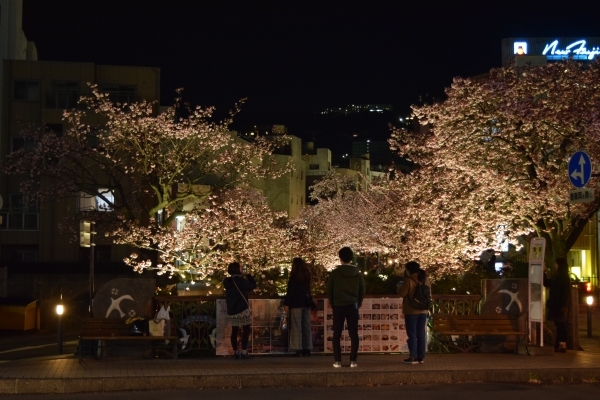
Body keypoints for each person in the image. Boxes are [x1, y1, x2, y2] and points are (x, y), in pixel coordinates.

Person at [327, 246, 365, 368]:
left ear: (340, 258)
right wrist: (358, 303)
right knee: (353, 334)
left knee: (337, 334)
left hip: (338, 305)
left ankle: (337, 360)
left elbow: (330, 290)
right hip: (352, 305)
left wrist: (333, 303)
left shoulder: (335, 273)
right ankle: (353, 360)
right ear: (351, 258)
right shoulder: (357, 274)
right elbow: (362, 290)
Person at [397, 261, 430, 364]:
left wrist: (398, 287)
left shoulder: (409, 280)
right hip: (423, 309)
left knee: (412, 334)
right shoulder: (425, 280)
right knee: (421, 333)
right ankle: (421, 356)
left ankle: (413, 357)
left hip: (411, 310)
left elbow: (402, 293)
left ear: (408, 270)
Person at [224, 262, 256, 359]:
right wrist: (249, 275)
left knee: (234, 330)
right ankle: (244, 351)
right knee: (246, 329)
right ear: (237, 269)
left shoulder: (227, 281)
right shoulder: (241, 281)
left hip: (232, 309)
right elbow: (253, 285)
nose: (242, 268)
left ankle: (235, 352)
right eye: (241, 267)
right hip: (242, 308)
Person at [284, 257, 315, 357]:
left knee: (296, 327)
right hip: (306, 303)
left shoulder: (294, 277)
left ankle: (298, 348)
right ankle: (307, 348)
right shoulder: (306, 276)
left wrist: (287, 303)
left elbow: (291, 291)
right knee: (306, 326)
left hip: (296, 304)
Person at [543, 257, 571, 352]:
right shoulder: (557, 276)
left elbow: (565, 293)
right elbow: (547, 283)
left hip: (559, 305)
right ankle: (560, 344)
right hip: (555, 304)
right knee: (558, 324)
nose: (555, 265)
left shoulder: (564, 277)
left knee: (560, 324)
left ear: (560, 265)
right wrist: (544, 272)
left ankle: (562, 345)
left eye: (556, 264)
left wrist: (564, 306)